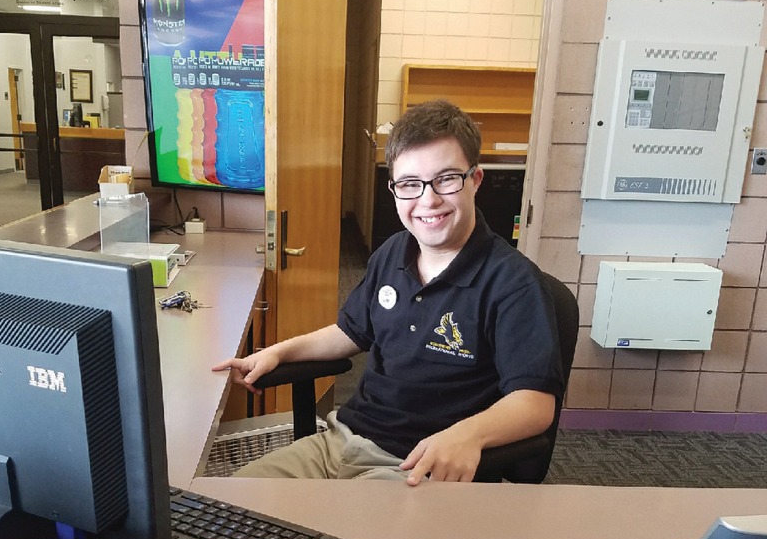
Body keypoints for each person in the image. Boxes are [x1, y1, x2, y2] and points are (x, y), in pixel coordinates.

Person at [212, 99, 563, 484]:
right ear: (394, 189)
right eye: (411, 184)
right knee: (233, 505)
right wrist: (279, 352)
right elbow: (350, 332)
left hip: (416, 465)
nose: (428, 200)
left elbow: (535, 404)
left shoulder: (512, 283)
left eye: (446, 178)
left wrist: (468, 435)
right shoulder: (394, 251)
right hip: (338, 442)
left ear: (475, 180)